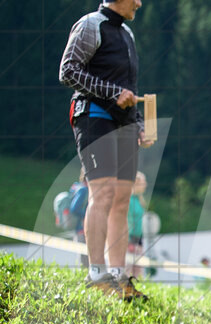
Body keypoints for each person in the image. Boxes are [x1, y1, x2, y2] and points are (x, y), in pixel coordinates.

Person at [59, 0, 151, 301]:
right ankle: (96, 273)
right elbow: (68, 71)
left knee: (123, 199)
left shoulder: (127, 33)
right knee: (104, 193)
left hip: (125, 123)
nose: (139, 3)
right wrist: (112, 93)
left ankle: (118, 275)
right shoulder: (90, 24)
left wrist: (140, 123)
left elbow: (129, 86)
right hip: (94, 115)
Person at [127, 171, 147, 277]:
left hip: (139, 239)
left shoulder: (140, 200)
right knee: (128, 269)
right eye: (143, 183)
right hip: (129, 239)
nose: (145, 185)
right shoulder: (128, 200)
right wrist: (129, 241)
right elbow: (127, 221)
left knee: (138, 272)